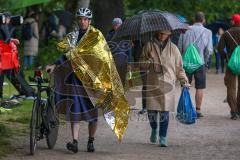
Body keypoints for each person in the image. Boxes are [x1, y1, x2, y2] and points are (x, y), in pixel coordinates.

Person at [46, 8, 130, 153]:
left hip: (92, 81)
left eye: (85, 19)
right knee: (75, 110)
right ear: (78, 20)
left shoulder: (96, 36)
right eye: (80, 19)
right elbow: (67, 55)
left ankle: (91, 140)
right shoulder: (72, 36)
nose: (82, 21)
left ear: (89, 21)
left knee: (92, 113)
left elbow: (103, 57)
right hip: (75, 79)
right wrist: (55, 65)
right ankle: (75, 142)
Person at [140, 30, 189, 147]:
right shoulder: (149, 46)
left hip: (168, 85)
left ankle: (163, 137)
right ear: (156, 33)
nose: (162, 36)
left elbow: (179, 68)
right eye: (160, 33)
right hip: (153, 84)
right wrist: (150, 60)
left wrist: (184, 81)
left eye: (164, 34)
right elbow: (141, 64)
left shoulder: (174, 49)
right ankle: (154, 128)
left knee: (164, 112)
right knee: (151, 112)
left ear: (169, 34)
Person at [178, 12, 213, 118]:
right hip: (200, 63)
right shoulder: (207, 32)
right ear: (204, 20)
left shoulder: (185, 30)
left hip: (186, 63)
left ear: (194, 19)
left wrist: (181, 60)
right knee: (199, 87)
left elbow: (179, 47)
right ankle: (198, 110)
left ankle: (185, 109)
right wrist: (205, 61)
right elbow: (209, 50)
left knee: (185, 86)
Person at [217, 14, 240, 120]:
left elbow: (220, 49)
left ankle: (234, 112)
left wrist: (226, 58)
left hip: (231, 63)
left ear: (233, 22)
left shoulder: (226, 34)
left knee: (231, 88)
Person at [0, 12, 21, 99]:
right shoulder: (3, 26)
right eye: (6, 18)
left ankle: (0, 94)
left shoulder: (8, 27)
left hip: (5, 55)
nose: (8, 20)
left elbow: (6, 39)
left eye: (8, 18)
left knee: (4, 75)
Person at [106, 17, 131, 87]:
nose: (117, 26)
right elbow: (106, 49)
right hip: (112, 61)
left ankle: (121, 93)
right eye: (116, 25)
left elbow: (128, 50)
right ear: (113, 26)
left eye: (119, 25)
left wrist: (129, 62)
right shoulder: (109, 36)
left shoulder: (125, 36)